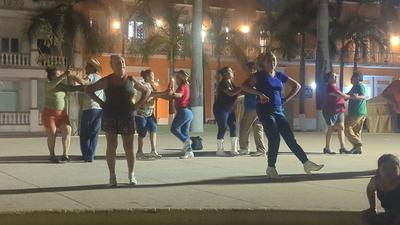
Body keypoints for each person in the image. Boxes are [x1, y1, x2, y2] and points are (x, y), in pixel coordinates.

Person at [242, 52, 323, 178]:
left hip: (278, 110)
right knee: (274, 137)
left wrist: (286, 99)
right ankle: (271, 167)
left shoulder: (279, 75)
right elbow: (244, 86)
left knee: (290, 138)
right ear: (263, 63)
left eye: (274, 60)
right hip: (264, 110)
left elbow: (297, 86)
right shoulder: (258, 76)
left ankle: (306, 163)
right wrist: (259, 93)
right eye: (269, 61)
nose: (272, 63)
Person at [85, 55, 150, 186]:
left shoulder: (130, 79)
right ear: (112, 66)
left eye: (122, 61)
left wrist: (137, 105)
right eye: (117, 62)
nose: (121, 63)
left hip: (127, 115)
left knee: (128, 146)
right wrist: (101, 103)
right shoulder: (108, 80)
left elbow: (146, 91)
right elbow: (89, 89)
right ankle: (112, 176)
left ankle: (131, 175)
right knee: (111, 145)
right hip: (110, 115)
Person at [42, 67, 84, 163]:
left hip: (62, 114)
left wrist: (81, 83)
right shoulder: (48, 85)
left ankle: (65, 155)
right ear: (52, 76)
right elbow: (55, 82)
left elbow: (75, 88)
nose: (61, 76)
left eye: (61, 74)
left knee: (67, 129)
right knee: (52, 132)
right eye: (58, 74)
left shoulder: (62, 86)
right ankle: (52, 155)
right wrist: (63, 75)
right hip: (49, 114)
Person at [154, 70, 194, 159]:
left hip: (183, 112)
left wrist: (173, 93)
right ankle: (189, 152)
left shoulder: (182, 87)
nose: (175, 80)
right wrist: (159, 96)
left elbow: (179, 95)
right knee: (184, 131)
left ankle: (186, 141)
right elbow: (170, 97)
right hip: (188, 113)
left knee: (174, 129)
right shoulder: (185, 86)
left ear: (180, 79)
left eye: (176, 78)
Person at [238, 62, 267, 157]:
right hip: (259, 107)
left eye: (249, 69)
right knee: (258, 127)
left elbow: (247, 88)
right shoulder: (261, 78)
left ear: (253, 69)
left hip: (252, 107)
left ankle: (244, 148)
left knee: (244, 127)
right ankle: (261, 149)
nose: (247, 71)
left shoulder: (253, 79)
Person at [363, 154, 400, 225]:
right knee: (367, 217)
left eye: (393, 168)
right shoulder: (376, 181)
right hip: (389, 211)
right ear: (378, 171)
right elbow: (370, 191)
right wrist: (372, 207)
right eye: (384, 168)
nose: (389, 171)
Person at [79, 58, 104, 162]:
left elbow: (84, 82)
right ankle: (91, 155)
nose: (85, 68)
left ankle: (86, 154)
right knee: (94, 133)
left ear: (92, 68)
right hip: (99, 109)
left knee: (85, 133)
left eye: (87, 66)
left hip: (89, 108)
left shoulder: (91, 76)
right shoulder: (100, 78)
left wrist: (74, 77)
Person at [213, 67, 242, 157]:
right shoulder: (223, 84)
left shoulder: (231, 83)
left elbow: (237, 91)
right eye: (230, 71)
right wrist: (242, 88)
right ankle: (220, 150)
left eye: (231, 71)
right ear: (225, 74)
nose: (232, 72)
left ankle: (234, 149)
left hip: (230, 109)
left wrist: (245, 89)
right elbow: (231, 93)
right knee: (223, 127)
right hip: (221, 109)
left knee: (233, 126)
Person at [322, 72, 350, 154]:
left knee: (341, 128)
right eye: (334, 76)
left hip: (340, 110)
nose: (336, 78)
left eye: (336, 76)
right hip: (330, 110)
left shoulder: (335, 87)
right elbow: (340, 95)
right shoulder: (330, 87)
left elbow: (341, 96)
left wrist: (346, 96)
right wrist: (349, 96)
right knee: (331, 128)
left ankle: (342, 148)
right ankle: (327, 148)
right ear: (329, 78)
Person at [135, 69, 161, 159]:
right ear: (147, 77)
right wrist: (154, 96)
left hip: (150, 113)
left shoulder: (151, 86)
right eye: (151, 76)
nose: (153, 78)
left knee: (153, 130)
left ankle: (153, 150)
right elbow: (146, 97)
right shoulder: (143, 85)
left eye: (153, 76)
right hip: (141, 113)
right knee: (142, 133)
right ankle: (139, 151)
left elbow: (154, 95)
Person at [344, 72, 367, 154]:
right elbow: (348, 95)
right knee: (356, 131)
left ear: (357, 78)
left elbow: (364, 96)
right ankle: (358, 149)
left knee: (347, 127)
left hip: (357, 112)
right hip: (360, 112)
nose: (350, 79)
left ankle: (357, 143)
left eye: (352, 78)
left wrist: (357, 97)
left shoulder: (360, 86)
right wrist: (342, 96)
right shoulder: (354, 87)